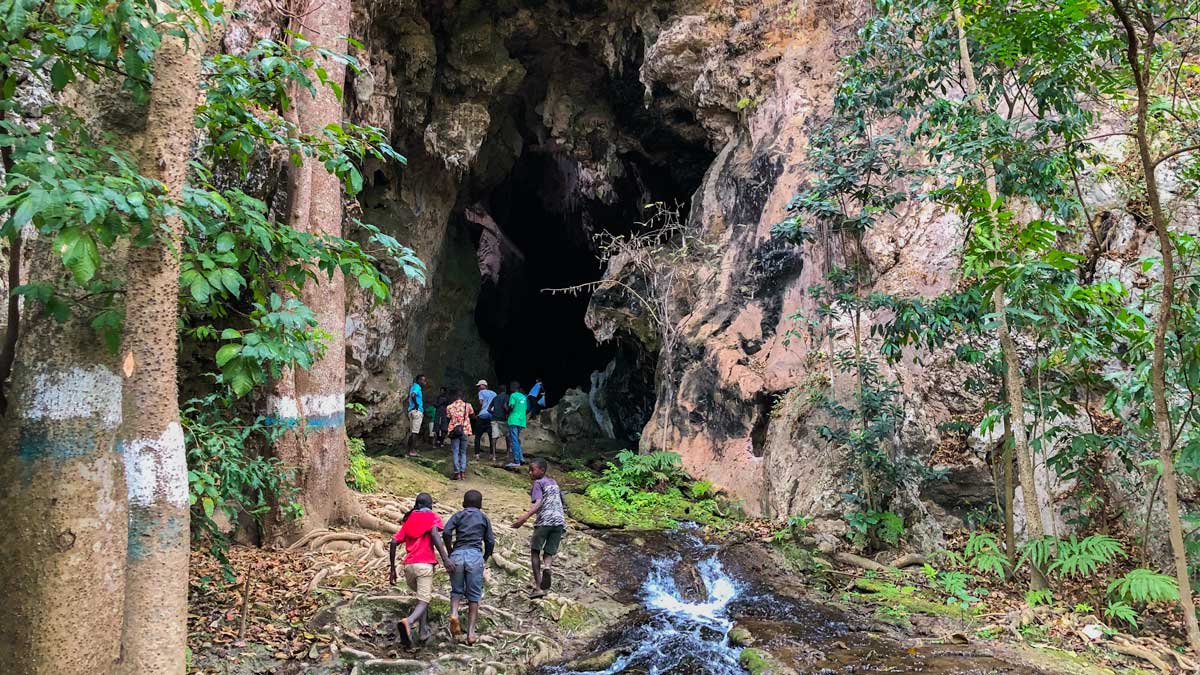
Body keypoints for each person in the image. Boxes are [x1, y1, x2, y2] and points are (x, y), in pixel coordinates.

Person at [389, 493, 454, 647]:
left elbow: (393, 541)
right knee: (425, 600)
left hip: (409, 567)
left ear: (416, 505)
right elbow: (435, 535)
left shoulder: (409, 521)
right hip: (424, 566)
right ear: (430, 505)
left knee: (421, 599)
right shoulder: (432, 517)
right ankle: (409, 621)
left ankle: (422, 631)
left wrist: (392, 569)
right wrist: (446, 559)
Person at [443, 489, 495, 645]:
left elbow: (446, 532)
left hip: (457, 555)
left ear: (463, 503)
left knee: (456, 591)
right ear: (480, 505)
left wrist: (450, 551)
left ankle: (454, 614)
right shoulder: (484, 518)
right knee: (474, 596)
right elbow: (490, 541)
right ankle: (471, 634)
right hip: (474, 556)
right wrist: (485, 557)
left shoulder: (458, 515)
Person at [512, 458, 566, 599]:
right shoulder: (553, 483)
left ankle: (538, 586)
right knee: (549, 551)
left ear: (542, 470)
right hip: (559, 521)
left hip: (545, 521)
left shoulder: (538, 483)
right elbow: (561, 501)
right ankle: (547, 567)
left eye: (532, 469)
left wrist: (524, 517)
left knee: (535, 551)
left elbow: (538, 503)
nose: (530, 472)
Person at [445, 389, 474, 480]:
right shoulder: (467, 405)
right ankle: (463, 473)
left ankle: (456, 473)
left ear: (454, 397)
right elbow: (472, 415)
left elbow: (448, 417)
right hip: (464, 430)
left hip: (454, 431)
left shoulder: (449, 407)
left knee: (455, 451)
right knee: (463, 452)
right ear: (462, 396)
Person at [505, 381, 527, 468]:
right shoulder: (524, 397)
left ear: (513, 387)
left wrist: (506, 408)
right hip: (521, 421)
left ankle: (516, 461)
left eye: (511, 387)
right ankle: (521, 459)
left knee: (514, 441)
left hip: (513, 420)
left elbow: (511, 407)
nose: (510, 388)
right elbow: (525, 408)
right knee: (517, 440)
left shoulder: (513, 395)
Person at [475, 380, 497, 460]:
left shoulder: (481, 392)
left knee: (477, 436)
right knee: (491, 436)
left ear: (483, 385)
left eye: (479, 386)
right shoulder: (494, 393)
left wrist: (479, 412)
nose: (478, 388)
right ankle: (491, 454)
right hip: (491, 415)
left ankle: (477, 454)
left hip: (483, 415)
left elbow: (481, 403)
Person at [407, 375, 426, 456]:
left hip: (411, 411)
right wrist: (417, 405)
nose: (424, 382)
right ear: (418, 380)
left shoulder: (413, 387)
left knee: (412, 432)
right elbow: (413, 395)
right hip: (416, 411)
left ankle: (409, 450)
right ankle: (412, 451)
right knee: (415, 432)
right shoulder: (417, 386)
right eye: (423, 380)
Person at [489, 384, 509, 461]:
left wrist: (493, 413)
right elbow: (505, 406)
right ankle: (507, 454)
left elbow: (488, 409)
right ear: (505, 390)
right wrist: (508, 412)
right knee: (507, 436)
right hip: (503, 419)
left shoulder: (495, 398)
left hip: (494, 419)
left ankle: (494, 455)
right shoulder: (507, 396)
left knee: (494, 437)